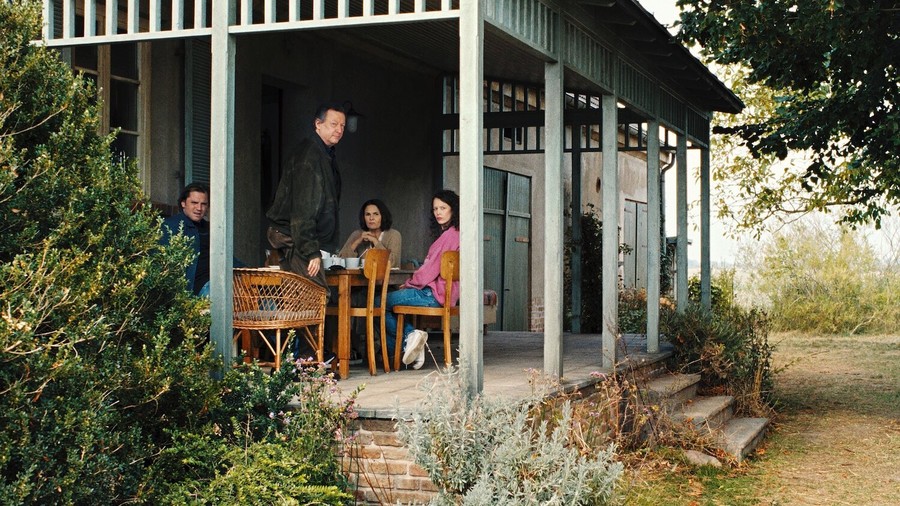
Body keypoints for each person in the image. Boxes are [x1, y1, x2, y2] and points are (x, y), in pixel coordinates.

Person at [266, 103, 346, 287]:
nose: (339, 130)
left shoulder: (323, 154)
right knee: (315, 293)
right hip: (292, 235)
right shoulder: (310, 155)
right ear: (318, 124)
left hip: (296, 235)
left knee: (297, 294)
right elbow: (303, 209)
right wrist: (311, 251)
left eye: (342, 126)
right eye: (334, 124)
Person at [383, 189, 460, 370]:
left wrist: (408, 284)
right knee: (386, 303)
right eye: (435, 209)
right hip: (445, 295)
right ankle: (410, 347)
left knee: (377, 303)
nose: (438, 212)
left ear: (454, 209)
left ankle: (410, 338)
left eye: (443, 208)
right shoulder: (458, 234)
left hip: (432, 295)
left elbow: (428, 272)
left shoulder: (449, 236)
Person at [160, 183, 212, 296]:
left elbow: (226, 256)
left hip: (217, 281)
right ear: (183, 203)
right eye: (194, 203)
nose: (199, 208)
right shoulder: (170, 226)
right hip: (197, 289)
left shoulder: (210, 228)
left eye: (203, 204)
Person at [338, 199, 402, 267]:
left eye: (376, 214)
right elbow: (339, 262)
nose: (371, 218)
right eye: (368, 214)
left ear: (383, 216)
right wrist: (357, 242)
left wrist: (375, 242)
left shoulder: (393, 235)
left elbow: (393, 263)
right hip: (359, 274)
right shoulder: (357, 234)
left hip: (385, 274)